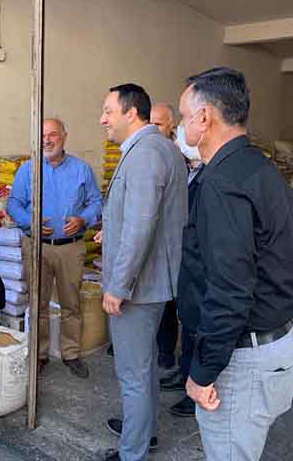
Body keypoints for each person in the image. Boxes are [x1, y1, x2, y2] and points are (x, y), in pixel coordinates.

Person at [178, 67, 293, 460]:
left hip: (243, 357)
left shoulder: (222, 182)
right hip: (277, 342)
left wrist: (202, 372)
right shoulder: (258, 168)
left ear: (204, 117)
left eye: (184, 116)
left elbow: (229, 290)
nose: (182, 126)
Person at [97, 84, 187, 461]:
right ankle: (143, 430)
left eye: (108, 111)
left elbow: (140, 226)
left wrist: (118, 286)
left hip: (138, 286)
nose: (102, 119)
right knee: (144, 365)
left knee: (133, 373)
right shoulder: (160, 148)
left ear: (131, 113)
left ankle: (132, 452)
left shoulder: (146, 153)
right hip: (150, 281)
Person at [7, 118, 102, 379]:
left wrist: (84, 219)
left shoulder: (81, 169)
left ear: (64, 136)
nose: (47, 140)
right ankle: (39, 354)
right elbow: (14, 204)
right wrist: (32, 222)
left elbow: (96, 202)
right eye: (43, 136)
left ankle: (71, 353)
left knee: (71, 303)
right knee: (38, 303)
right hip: (37, 246)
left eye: (53, 135)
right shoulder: (27, 170)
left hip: (71, 248)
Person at [159, 121, 204, 419]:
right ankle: (185, 371)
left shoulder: (210, 176)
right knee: (187, 322)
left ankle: (195, 390)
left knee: (199, 327)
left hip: (199, 263)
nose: (177, 140)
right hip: (184, 258)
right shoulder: (190, 171)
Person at [150, 102, 181, 372]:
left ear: (172, 126)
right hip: (148, 240)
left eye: (158, 124)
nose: (153, 129)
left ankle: (166, 350)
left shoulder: (178, 158)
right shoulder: (144, 155)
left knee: (167, 299)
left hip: (170, 242)